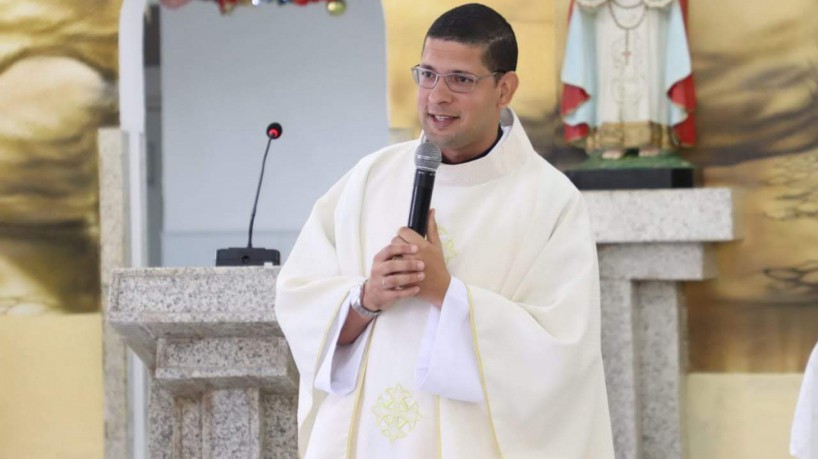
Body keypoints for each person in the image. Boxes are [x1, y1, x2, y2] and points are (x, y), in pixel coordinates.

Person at [276, 4, 614, 457]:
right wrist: (366, 298)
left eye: (461, 79)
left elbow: (560, 357)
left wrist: (446, 293)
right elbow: (300, 301)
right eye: (428, 74)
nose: (437, 96)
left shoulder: (550, 202)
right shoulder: (369, 179)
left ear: (504, 89)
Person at [560, 0, 696, 159]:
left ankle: (651, 139)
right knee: (610, 70)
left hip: (650, 14)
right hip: (607, 14)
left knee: (648, 67)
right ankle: (612, 139)